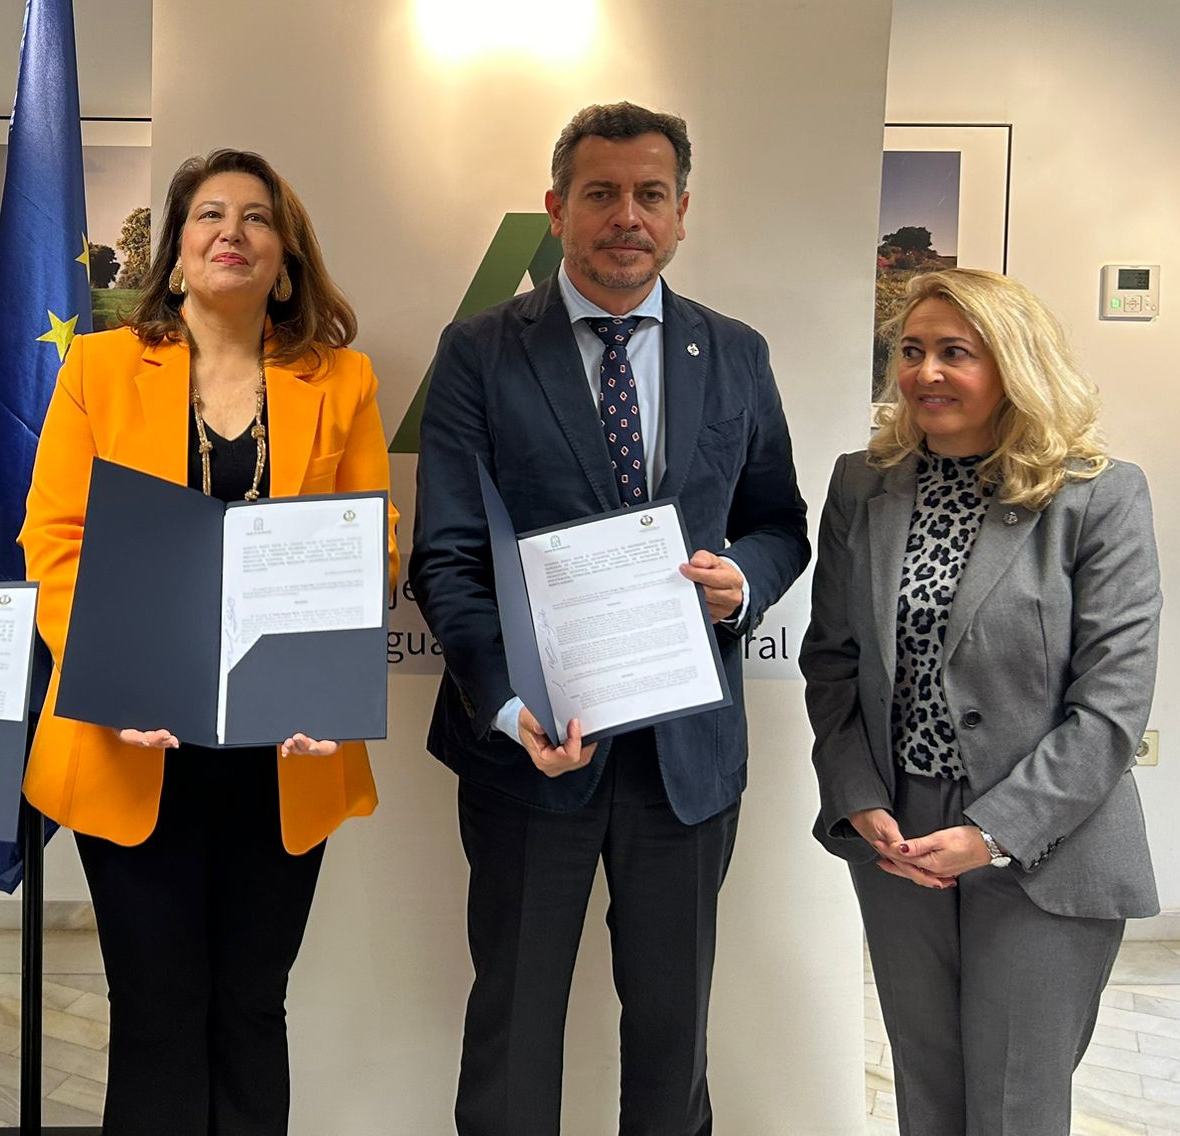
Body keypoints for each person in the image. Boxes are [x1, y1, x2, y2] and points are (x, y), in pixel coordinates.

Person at [410, 101, 809, 1136]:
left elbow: (779, 522)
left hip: (686, 758)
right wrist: (504, 706)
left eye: (648, 195)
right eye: (600, 193)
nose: (624, 216)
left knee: (674, 1038)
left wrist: (746, 581)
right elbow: (447, 555)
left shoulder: (735, 353)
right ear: (555, 209)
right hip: (530, 752)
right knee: (513, 1028)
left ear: (682, 215)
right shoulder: (480, 353)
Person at [20, 149, 398, 1136]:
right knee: (154, 1011)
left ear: (284, 257)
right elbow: (54, 538)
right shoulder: (100, 368)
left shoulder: (341, 379)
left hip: (284, 752)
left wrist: (324, 683)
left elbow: (371, 542)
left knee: (249, 1006)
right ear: (177, 254)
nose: (232, 229)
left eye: (257, 217)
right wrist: (117, 670)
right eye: (209, 214)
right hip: (133, 740)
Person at [801, 268, 1160, 1135]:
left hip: (1045, 840)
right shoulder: (862, 484)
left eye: (954, 353)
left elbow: (1112, 706)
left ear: (1014, 365)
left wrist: (992, 833)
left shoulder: (1098, 493)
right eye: (912, 352)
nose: (925, 372)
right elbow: (834, 663)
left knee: (1014, 1110)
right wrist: (860, 800)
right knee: (928, 1097)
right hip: (899, 836)